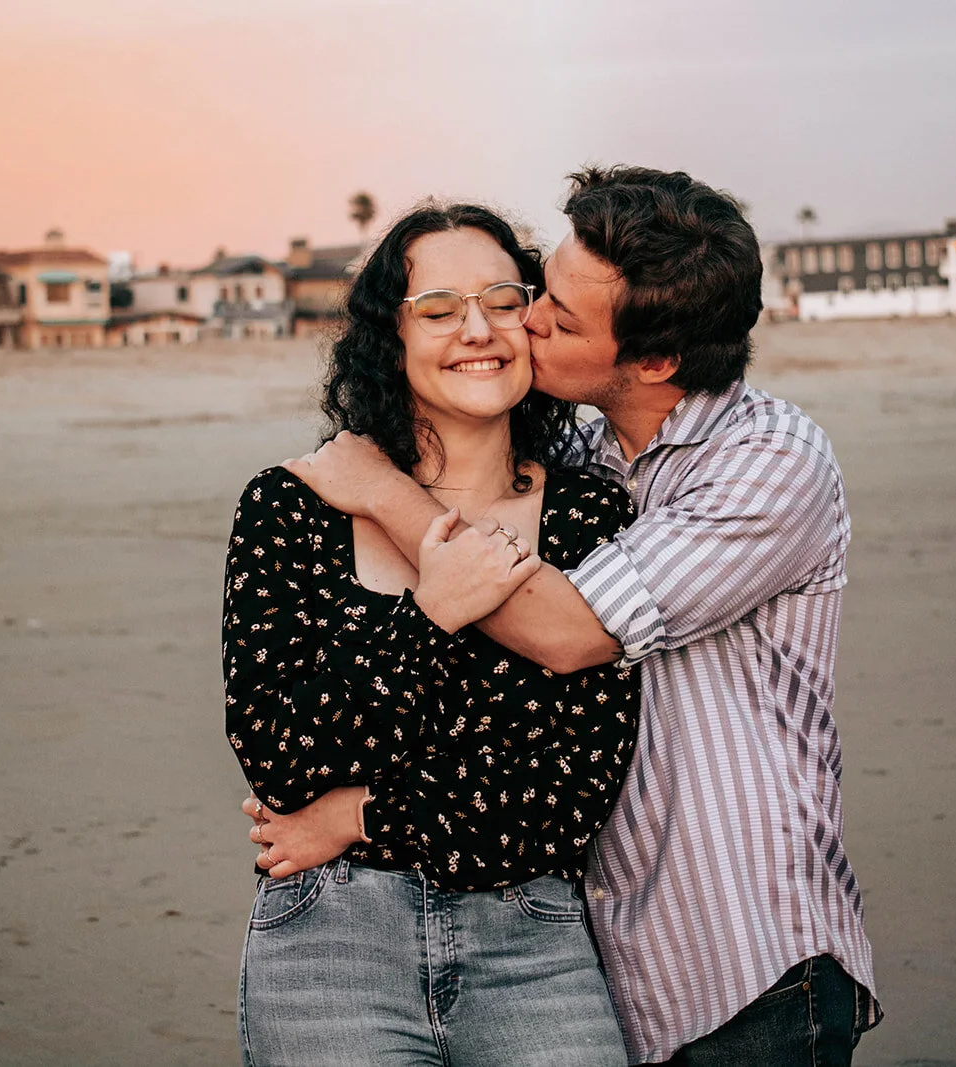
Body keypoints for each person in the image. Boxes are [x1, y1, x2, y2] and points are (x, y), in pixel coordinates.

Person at [269, 166, 881, 1065]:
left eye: (556, 314)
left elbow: (565, 631)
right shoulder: (584, 451)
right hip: (604, 956)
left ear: (656, 360)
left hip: (745, 958)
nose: (527, 321)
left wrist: (381, 491)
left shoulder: (768, 463)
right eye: (540, 290)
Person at [224, 202, 641, 1066]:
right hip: (329, 941)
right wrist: (429, 616)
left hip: (535, 943)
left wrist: (357, 811)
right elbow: (279, 751)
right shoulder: (291, 507)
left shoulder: (590, 516)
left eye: (501, 298)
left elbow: (566, 795)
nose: (478, 330)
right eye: (440, 308)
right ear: (391, 337)